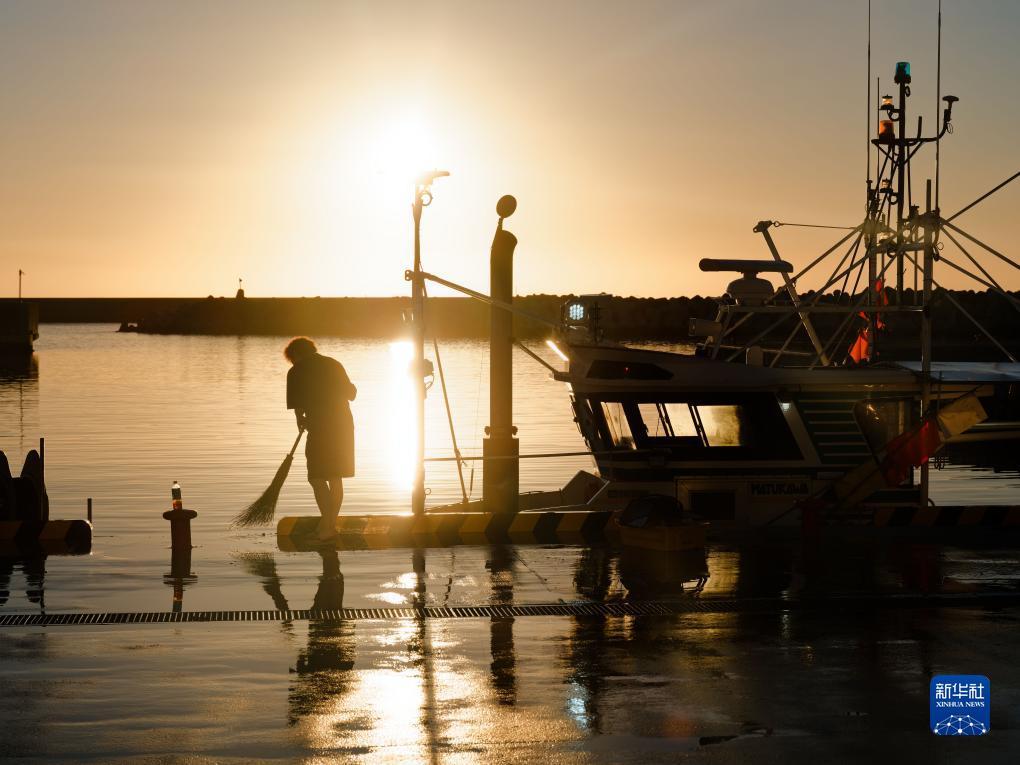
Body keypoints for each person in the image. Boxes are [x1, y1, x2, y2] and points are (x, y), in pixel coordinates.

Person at [284, 337, 357, 541]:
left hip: (319, 428)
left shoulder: (296, 371)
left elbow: (298, 408)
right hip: (343, 426)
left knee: (316, 477)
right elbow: (352, 394)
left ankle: (326, 526)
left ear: (296, 355)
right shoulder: (334, 364)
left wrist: (301, 420)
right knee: (335, 477)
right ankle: (329, 526)